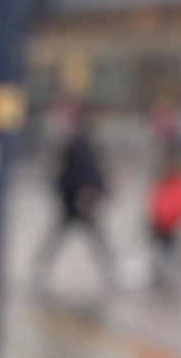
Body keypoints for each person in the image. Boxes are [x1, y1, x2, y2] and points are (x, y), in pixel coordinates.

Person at [32, 104, 119, 296]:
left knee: (78, 236)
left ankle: (110, 270)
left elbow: (81, 172)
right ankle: (110, 270)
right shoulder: (80, 141)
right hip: (75, 200)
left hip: (77, 200)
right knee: (85, 237)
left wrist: (86, 190)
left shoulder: (77, 143)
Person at [146, 144, 181, 291]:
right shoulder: (164, 181)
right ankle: (160, 273)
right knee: (165, 247)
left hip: (168, 222)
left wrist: (172, 216)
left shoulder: (179, 182)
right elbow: (157, 199)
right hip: (159, 221)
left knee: (169, 246)